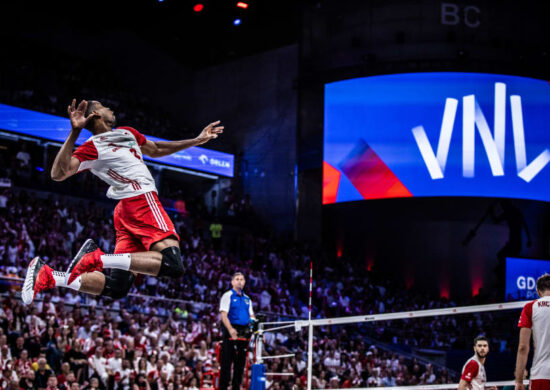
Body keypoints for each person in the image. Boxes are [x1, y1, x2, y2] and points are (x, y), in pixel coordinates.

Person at [22, 99, 223, 304]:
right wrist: (74, 132)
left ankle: (49, 275)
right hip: (141, 199)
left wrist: (196, 140)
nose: (110, 108)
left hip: (126, 210)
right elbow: (58, 173)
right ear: (96, 115)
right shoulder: (93, 147)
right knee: (172, 263)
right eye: (103, 106)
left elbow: (155, 149)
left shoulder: (127, 132)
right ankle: (97, 258)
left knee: (117, 287)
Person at [219, 272, 255, 390]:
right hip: (230, 330)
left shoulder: (247, 299)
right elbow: (224, 315)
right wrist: (230, 329)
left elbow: (252, 316)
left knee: (240, 365)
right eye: (237, 279)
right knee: (226, 364)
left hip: (244, 332)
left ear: (244, 282)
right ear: (232, 282)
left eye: (242, 279)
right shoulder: (227, 295)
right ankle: (223, 388)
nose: (240, 281)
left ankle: (236, 388)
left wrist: (256, 330)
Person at [515, 273, 550, 390]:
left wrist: (519, 380)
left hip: (541, 375)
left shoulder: (530, 307)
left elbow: (523, 347)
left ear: (538, 292)